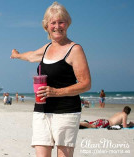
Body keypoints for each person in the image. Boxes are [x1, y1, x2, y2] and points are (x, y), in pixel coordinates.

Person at [10, 2, 91, 157]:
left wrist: (56, 92)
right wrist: (17, 55)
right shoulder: (46, 48)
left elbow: (86, 84)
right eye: (52, 22)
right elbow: (32, 55)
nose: (57, 26)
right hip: (41, 111)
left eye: (61, 22)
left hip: (66, 111)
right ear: (46, 26)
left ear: (68, 24)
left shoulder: (74, 50)